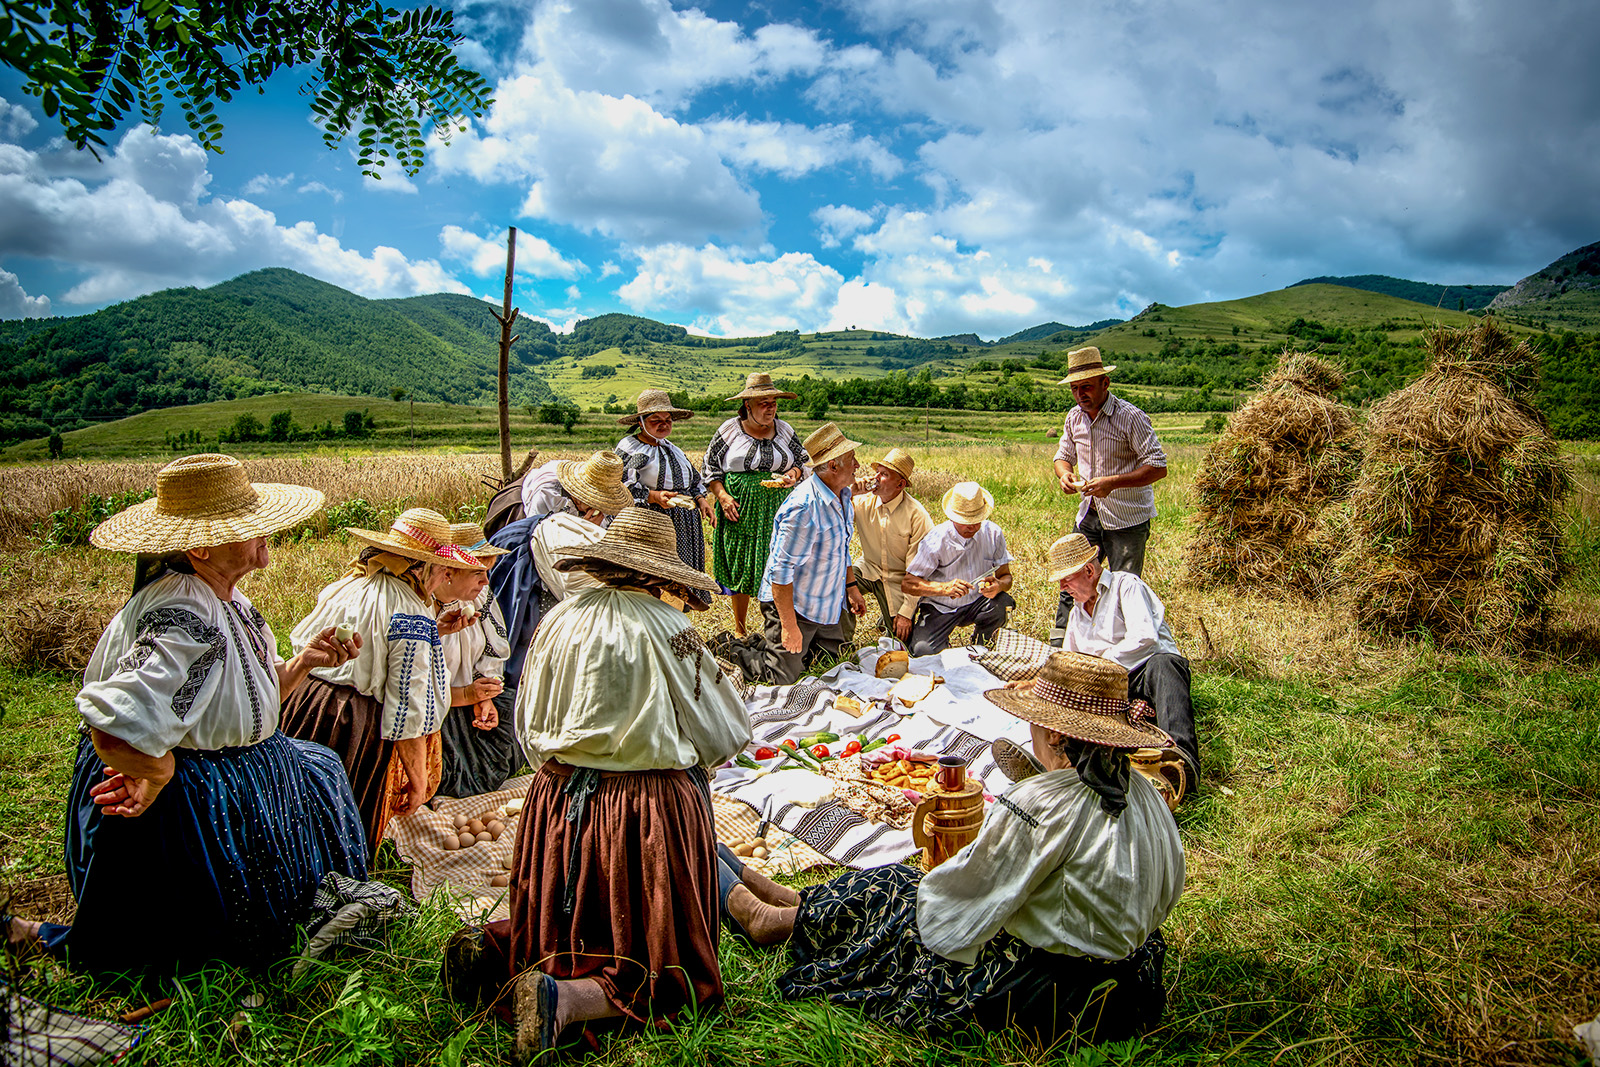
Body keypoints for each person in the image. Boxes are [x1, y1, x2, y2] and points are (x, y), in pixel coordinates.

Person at [3, 454, 369, 978]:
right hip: (200, 796)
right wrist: (159, 771)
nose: (268, 534)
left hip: (235, 769)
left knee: (319, 766)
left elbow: (242, 702)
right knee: (197, 949)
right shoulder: (185, 616)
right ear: (200, 547)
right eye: (251, 528)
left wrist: (302, 664)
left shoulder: (222, 597)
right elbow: (110, 723)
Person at [719, 651, 1184, 1044]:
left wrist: (928, 896)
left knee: (901, 895)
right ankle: (793, 902)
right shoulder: (1144, 793)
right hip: (1134, 984)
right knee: (905, 887)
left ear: (1058, 735)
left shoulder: (1044, 802)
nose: (1031, 732)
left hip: (1053, 994)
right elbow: (1165, 888)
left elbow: (964, 899)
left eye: (1036, 724)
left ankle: (774, 919)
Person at [440, 509, 750, 1064]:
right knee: (668, 966)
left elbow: (529, 720)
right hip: (642, 808)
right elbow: (724, 729)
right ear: (662, 579)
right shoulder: (667, 627)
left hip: (557, 799)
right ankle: (567, 999)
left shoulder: (559, 619)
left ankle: (501, 956)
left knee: (570, 924)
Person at [282, 509, 487, 861]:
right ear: (426, 568)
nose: (445, 579)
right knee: (341, 815)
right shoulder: (409, 610)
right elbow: (408, 706)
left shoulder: (349, 585)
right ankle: (337, 879)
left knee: (295, 805)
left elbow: (354, 647)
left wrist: (435, 633)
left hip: (306, 705)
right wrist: (418, 778)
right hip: (352, 724)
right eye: (444, 570)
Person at [723, 422, 866, 685]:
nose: (857, 465)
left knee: (832, 663)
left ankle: (767, 643)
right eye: (852, 460)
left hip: (825, 600)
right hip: (794, 604)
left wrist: (852, 587)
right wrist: (789, 627)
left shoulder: (842, 496)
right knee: (782, 677)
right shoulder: (804, 508)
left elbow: (841, 549)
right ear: (833, 466)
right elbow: (780, 573)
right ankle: (731, 650)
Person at [1049, 532, 1200, 777]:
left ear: (1089, 571)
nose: (1063, 588)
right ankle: (1072, 767)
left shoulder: (1126, 585)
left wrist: (1101, 664)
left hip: (1144, 673)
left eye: (1066, 579)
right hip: (1109, 685)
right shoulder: (1077, 612)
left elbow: (1145, 638)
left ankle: (1180, 764)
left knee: (1165, 665)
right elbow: (1070, 659)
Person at [1051, 345, 1168, 644]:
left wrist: (1112, 483)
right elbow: (1062, 456)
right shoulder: (1074, 418)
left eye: (1086, 387)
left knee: (1123, 585)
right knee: (1072, 578)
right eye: (1075, 389)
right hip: (1089, 512)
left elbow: (1157, 466)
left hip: (1127, 518)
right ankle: (1063, 644)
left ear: (1105, 383)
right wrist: (1064, 474)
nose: (1080, 395)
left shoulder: (1131, 418)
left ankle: (1125, 648)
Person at [703, 372, 810, 636]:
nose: (770, 407)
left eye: (773, 401)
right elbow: (710, 467)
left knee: (779, 561)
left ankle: (775, 626)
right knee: (740, 562)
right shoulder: (729, 430)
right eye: (763, 402)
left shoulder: (785, 431)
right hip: (739, 507)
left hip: (779, 505)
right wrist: (723, 496)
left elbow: (804, 461)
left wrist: (793, 475)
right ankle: (740, 628)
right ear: (747, 405)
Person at [435, 522, 521, 800]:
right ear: (448, 573)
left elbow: (493, 650)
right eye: (477, 573)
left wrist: (485, 694)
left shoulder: (479, 596)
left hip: (469, 697)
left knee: (516, 712)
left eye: (487, 572)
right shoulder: (421, 607)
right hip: (437, 707)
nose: (486, 581)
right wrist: (464, 695)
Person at [615, 388, 715, 606]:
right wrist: (653, 496)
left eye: (668, 419)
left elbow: (694, 479)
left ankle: (674, 624)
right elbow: (622, 484)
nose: (664, 424)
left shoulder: (672, 448)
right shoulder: (632, 448)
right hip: (652, 522)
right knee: (651, 577)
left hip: (684, 524)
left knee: (680, 582)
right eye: (655, 420)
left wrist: (701, 500)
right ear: (641, 422)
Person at [901, 481, 1015, 657]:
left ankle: (982, 649)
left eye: (977, 520)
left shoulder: (993, 533)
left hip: (978, 602)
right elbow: (908, 584)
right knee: (922, 651)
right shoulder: (936, 540)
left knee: (1002, 603)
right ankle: (940, 645)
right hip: (940, 607)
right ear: (952, 517)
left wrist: (999, 585)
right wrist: (944, 588)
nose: (973, 527)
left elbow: (1006, 577)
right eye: (966, 522)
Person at [847, 447, 933, 643]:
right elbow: (833, 514)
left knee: (901, 642)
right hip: (870, 567)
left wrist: (906, 612)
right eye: (877, 471)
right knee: (839, 588)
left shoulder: (917, 516)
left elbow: (918, 571)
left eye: (884, 474)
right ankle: (841, 643)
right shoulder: (862, 501)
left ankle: (889, 618)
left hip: (900, 581)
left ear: (900, 484)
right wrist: (849, 492)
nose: (875, 477)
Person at [529, 451, 633, 607]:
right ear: (578, 494)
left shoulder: (600, 511)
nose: (599, 506)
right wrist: (580, 527)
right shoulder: (547, 497)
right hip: (543, 559)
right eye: (596, 500)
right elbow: (542, 538)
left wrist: (591, 528)